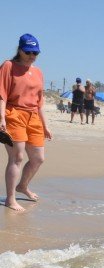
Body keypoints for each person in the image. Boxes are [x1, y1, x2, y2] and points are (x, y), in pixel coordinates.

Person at [1, 34, 52, 212]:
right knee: (17, 157)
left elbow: (40, 102)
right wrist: (1, 119)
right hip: (13, 114)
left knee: (38, 158)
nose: (32, 55)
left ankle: (22, 186)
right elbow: (2, 95)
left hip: (34, 117)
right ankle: (10, 199)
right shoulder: (9, 66)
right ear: (20, 50)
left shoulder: (38, 72)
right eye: (29, 52)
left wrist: (45, 125)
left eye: (36, 52)